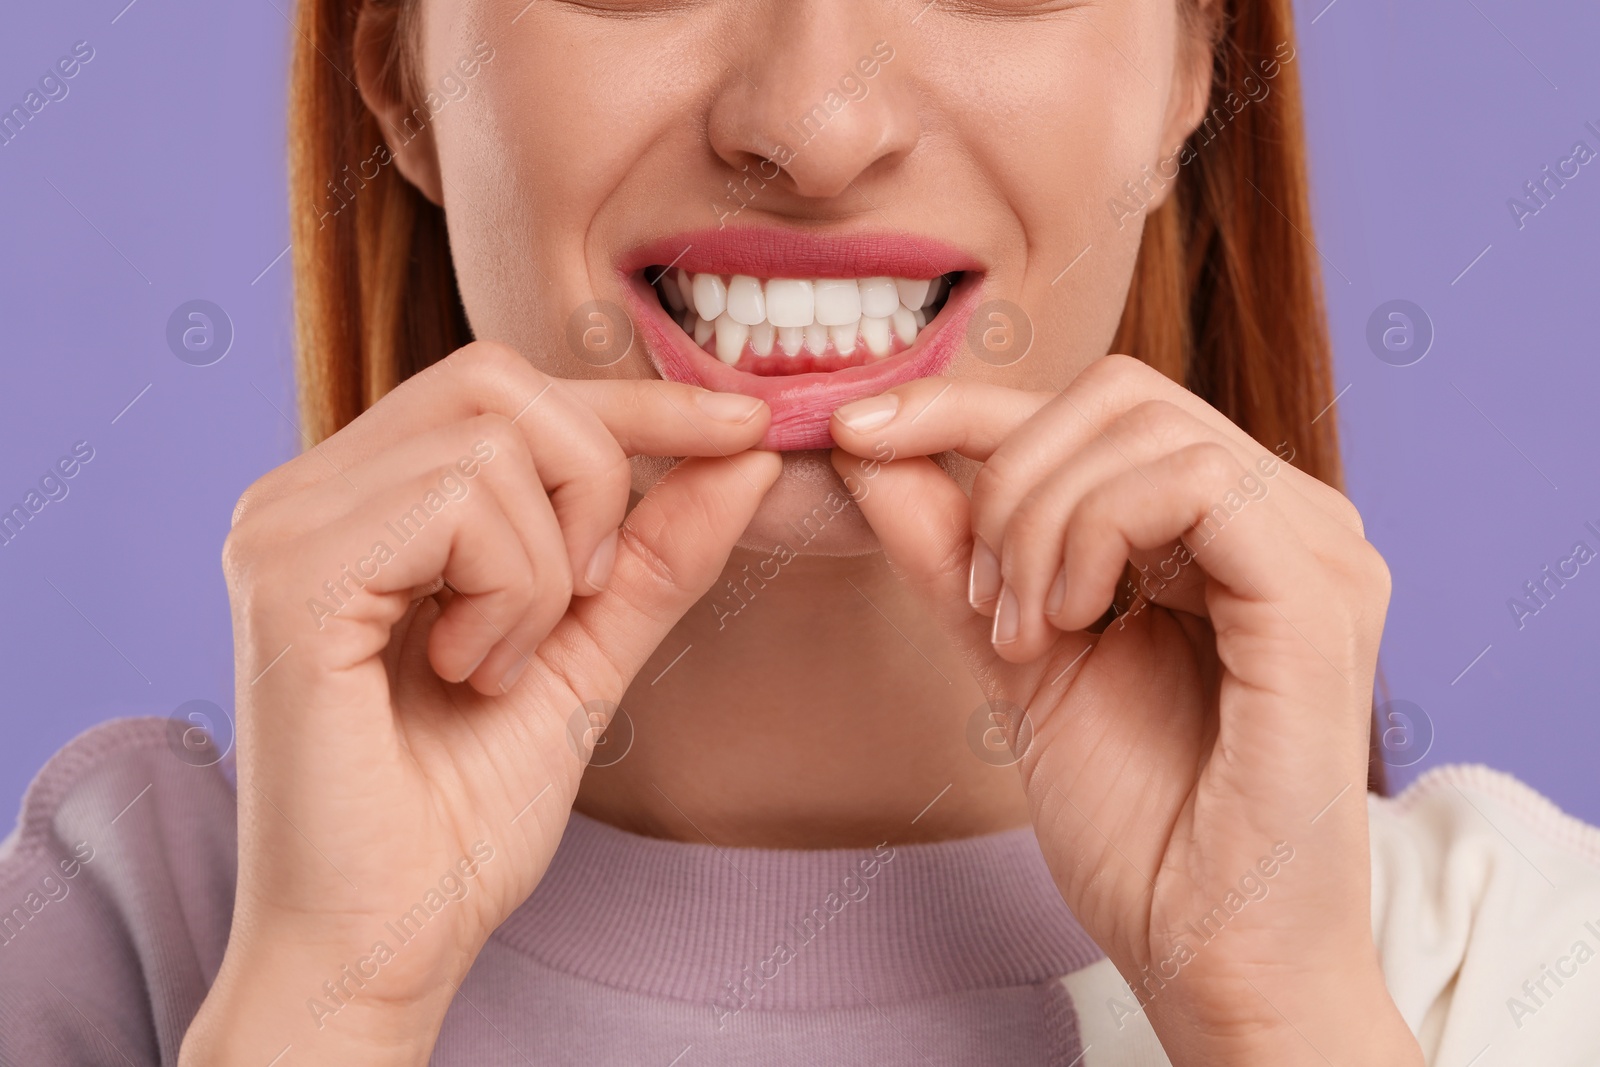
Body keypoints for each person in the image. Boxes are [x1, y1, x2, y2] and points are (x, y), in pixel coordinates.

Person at [4, 0, 1599, 1063]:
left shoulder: (1508, 968)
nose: (815, 130)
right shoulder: (137, 940)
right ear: (401, 75)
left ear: (1194, 65)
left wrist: (1280, 1015)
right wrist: (322, 1001)